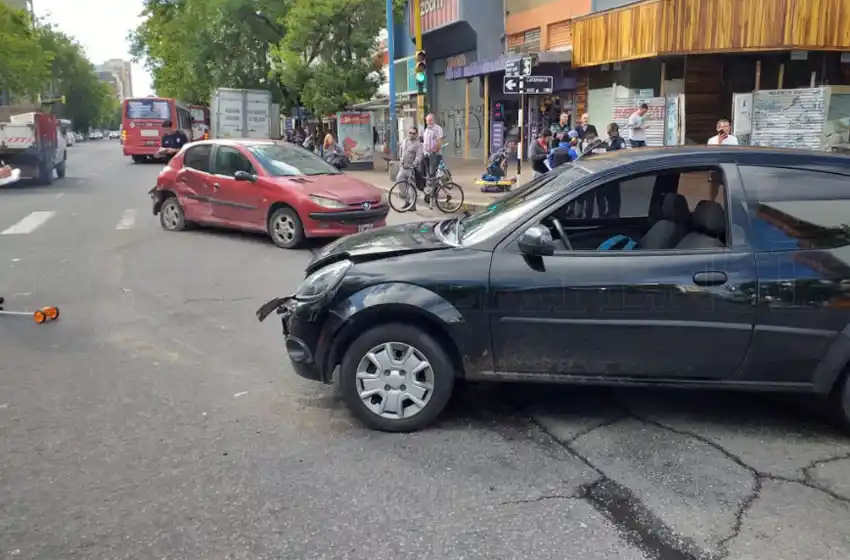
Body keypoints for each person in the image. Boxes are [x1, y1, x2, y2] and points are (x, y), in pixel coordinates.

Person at [397, 127, 424, 207]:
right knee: (399, 180)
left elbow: (419, 157)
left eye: (413, 133)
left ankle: (412, 205)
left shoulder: (418, 144)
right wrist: (401, 160)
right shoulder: (405, 141)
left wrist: (414, 165)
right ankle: (407, 200)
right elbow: (401, 151)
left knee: (411, 187)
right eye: (410, 133)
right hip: (403, 167)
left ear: (416, 134)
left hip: (411, 168)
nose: (411, 135)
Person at [422, 113, 444, 179]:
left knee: (433, 172)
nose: (429, 122)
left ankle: (435, 187)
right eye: (427, 120)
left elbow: (439, 141)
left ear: (433, 120)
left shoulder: (437, 129)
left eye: (430, 120)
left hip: (434, 154)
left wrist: (434, 151)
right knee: (427, 171)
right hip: (426, 153)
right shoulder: (427, 129)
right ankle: (430, 184)